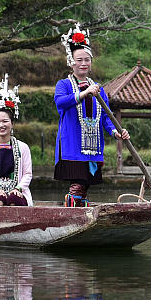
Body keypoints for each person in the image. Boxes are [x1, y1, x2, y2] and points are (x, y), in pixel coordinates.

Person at [54, 24, 130, 206]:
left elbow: (105, 117)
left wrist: (116, 132)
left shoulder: (98, 89)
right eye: (79, 60)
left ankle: (80, 211)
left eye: (87, 60)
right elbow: (60, 102)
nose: (83, 63)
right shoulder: (64, 85)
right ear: (71, 62)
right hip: (72, 143)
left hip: (93, 145)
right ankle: (73, 211)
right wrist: (83, 93)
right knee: (78, 184)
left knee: (85, 186)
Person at [0, 74, 34, 206]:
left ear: (12, 123)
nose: (1, 125)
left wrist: (18, 188)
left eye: (5, 121)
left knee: (13, 200)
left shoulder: (23, 147)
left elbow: (27, 174)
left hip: (18, 192)